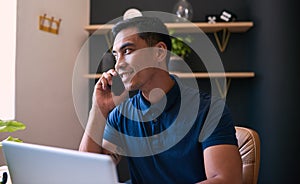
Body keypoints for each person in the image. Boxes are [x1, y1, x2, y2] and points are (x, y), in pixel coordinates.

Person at [79, 16, 242, 184]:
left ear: (159, 52)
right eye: (115, 55)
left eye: (127, 51)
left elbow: (226, 180)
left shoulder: (209, 110)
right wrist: (98, 109)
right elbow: (86, 174)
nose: (118, 64)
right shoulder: (122, 114)